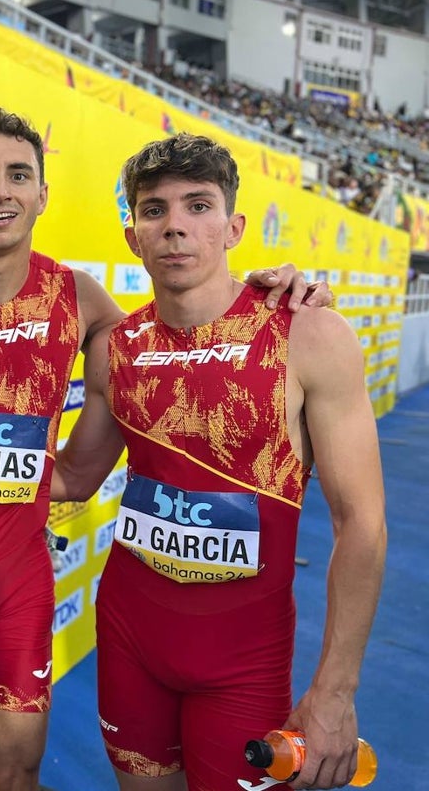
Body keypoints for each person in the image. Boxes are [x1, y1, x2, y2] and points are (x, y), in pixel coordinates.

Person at [0, 108, 325, 791]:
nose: (0, 191)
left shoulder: (78, 298)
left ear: (42, 195)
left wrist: (274, 288)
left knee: (15, 773)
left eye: (18, 174)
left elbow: (179, 330)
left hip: (13, 594)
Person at [53, 133, 386, 791]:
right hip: (129, 639)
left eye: (197, 206)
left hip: (245, 661)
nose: (175, 225)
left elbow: (363, 525)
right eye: (155, 211)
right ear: (133, 237)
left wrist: (335, 694)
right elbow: (72, 477)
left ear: (234, 227)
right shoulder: (116, 350)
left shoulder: (308, 334)